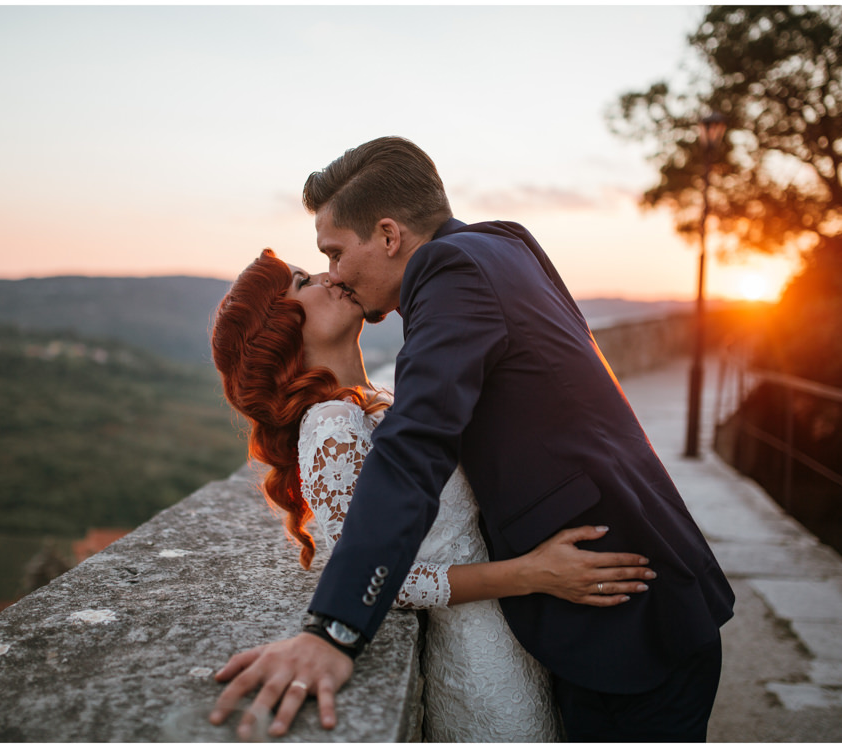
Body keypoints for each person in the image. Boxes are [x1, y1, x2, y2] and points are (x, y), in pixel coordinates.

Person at [211, 137, 735, 742]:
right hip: (627, 591)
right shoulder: (503, 239)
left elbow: (414, 447)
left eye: (333, 252)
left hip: (623, 611)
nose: (333, 273)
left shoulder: (449, 270)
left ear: (387, 236)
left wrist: (334, 630)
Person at [210, 248, 655, 740]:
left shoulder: (383, 400)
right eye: (301, 280)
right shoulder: (331, 424)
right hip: (477, 655)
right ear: (279, 328)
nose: (327, 274)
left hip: (512, 632)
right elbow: (383, 581)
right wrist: (536, 574)